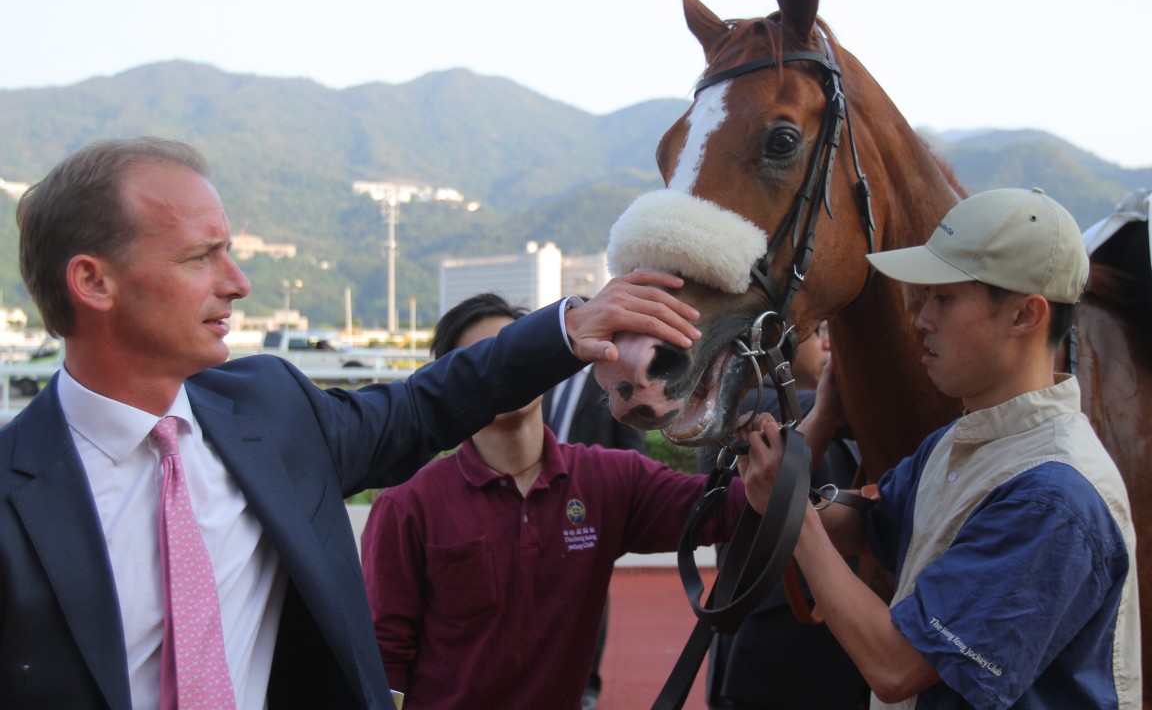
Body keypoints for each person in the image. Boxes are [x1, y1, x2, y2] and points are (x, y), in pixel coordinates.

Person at [0, 137, 702, 709]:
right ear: (93, 283)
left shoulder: (269, 410)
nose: (238, 281)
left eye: (230, 250)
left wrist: (567, 328)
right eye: (198, 256)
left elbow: (424, 405)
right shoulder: (15, 495)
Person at [738, 188, 1140, 708]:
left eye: (944, 299)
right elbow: (866, 524)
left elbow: (896, 665)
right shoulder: (959, 442)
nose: (922, 319)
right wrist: (786, 470)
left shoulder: (1052, 494)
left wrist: (789, 509)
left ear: (1025, 316)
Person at [360, 293, 747, 710]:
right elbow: (383, 656)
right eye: (483, 360)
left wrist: (805, 419)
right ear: (452, 385)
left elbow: (734, 507)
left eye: (513, 352)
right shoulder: (408, 506)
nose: (504, 371)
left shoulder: (608, 481)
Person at [700, 322, 868, 710]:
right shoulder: (743, 402)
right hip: (770, 654)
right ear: (775, 341)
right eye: (818, 331)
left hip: (833, 648)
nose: (830, 342)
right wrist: (829, 408)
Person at [542, 339, 645, 710]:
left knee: (588, 593)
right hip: (538, 499)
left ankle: (587, 685)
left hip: (585, 507)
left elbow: (632, 451)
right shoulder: (547, 380)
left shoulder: (615, 385)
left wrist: (621, 505)